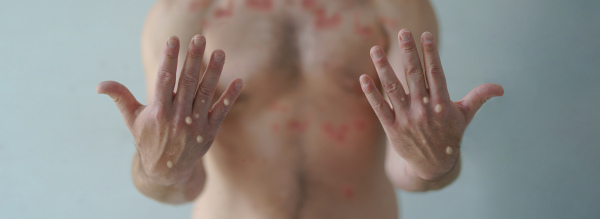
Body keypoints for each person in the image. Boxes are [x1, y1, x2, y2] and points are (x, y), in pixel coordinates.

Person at [96, 0, 504, 218]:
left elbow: (411, 169)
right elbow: (178, 185)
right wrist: (159, 167)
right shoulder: (186, 12)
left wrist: (434, 163)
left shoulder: (394, 7)